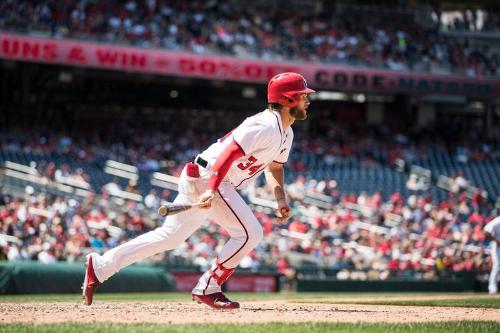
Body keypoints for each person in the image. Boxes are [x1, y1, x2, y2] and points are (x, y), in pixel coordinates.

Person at [82, 72, 315, 309]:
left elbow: (274, 166)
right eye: (302, 96)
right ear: (287, 100)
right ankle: (209, 287)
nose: (307, 100)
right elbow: (228, 154)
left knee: (170, 237)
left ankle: (101, 266)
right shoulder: (264, 125)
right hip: (211, 177)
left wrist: (280, 199)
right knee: (250, 233)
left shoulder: (286, 132)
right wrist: (211, 189)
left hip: (206, 177)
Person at [484, 216, 500, 294]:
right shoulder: (498, 220)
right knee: (497, 266)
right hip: (497, 247)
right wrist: (496, 240)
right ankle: (492, 288)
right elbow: (486, 230)